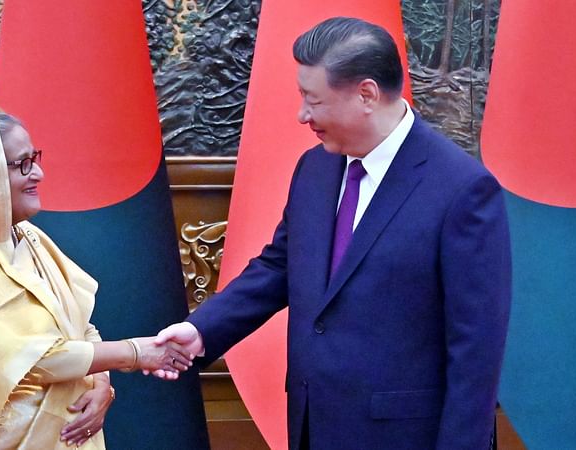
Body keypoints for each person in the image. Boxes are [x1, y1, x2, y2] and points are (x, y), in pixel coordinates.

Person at [156, 17, 511, 449]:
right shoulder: (315, 168)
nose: (302, 114)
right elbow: (279, 267)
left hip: (402, 436)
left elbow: (476, 351)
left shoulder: (462, 189)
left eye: (313, 100)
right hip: (313, 428)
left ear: (366, 94)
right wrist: (202, 330)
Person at [0, 109, 193, 450]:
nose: (38, 172)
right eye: (22, 163)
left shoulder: (28, 237)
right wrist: (136, 353)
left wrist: (100, 382)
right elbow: (33, 358)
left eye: (34, 158)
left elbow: (80, 323)